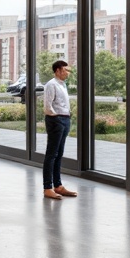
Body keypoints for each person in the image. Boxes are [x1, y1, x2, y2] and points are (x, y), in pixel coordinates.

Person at [42, 60, 77, 200]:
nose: (67, 72)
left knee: (59, 153)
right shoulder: (51, 84)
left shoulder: (62, 85)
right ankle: (47, 188)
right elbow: (47, 106)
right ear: (57, 70)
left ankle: (58, 186)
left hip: (64, 119)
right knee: (51, 154)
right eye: (64, 70)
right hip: (56, 120)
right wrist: (56, 117)